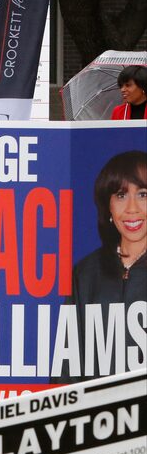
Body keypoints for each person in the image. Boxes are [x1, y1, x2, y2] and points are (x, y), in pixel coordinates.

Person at [61, 150, 147, 382]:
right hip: (99, 415)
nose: (132, 208)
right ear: (108, 206)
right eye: (120, 195)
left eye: (143, 194)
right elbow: (67, 367)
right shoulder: (85, 274)